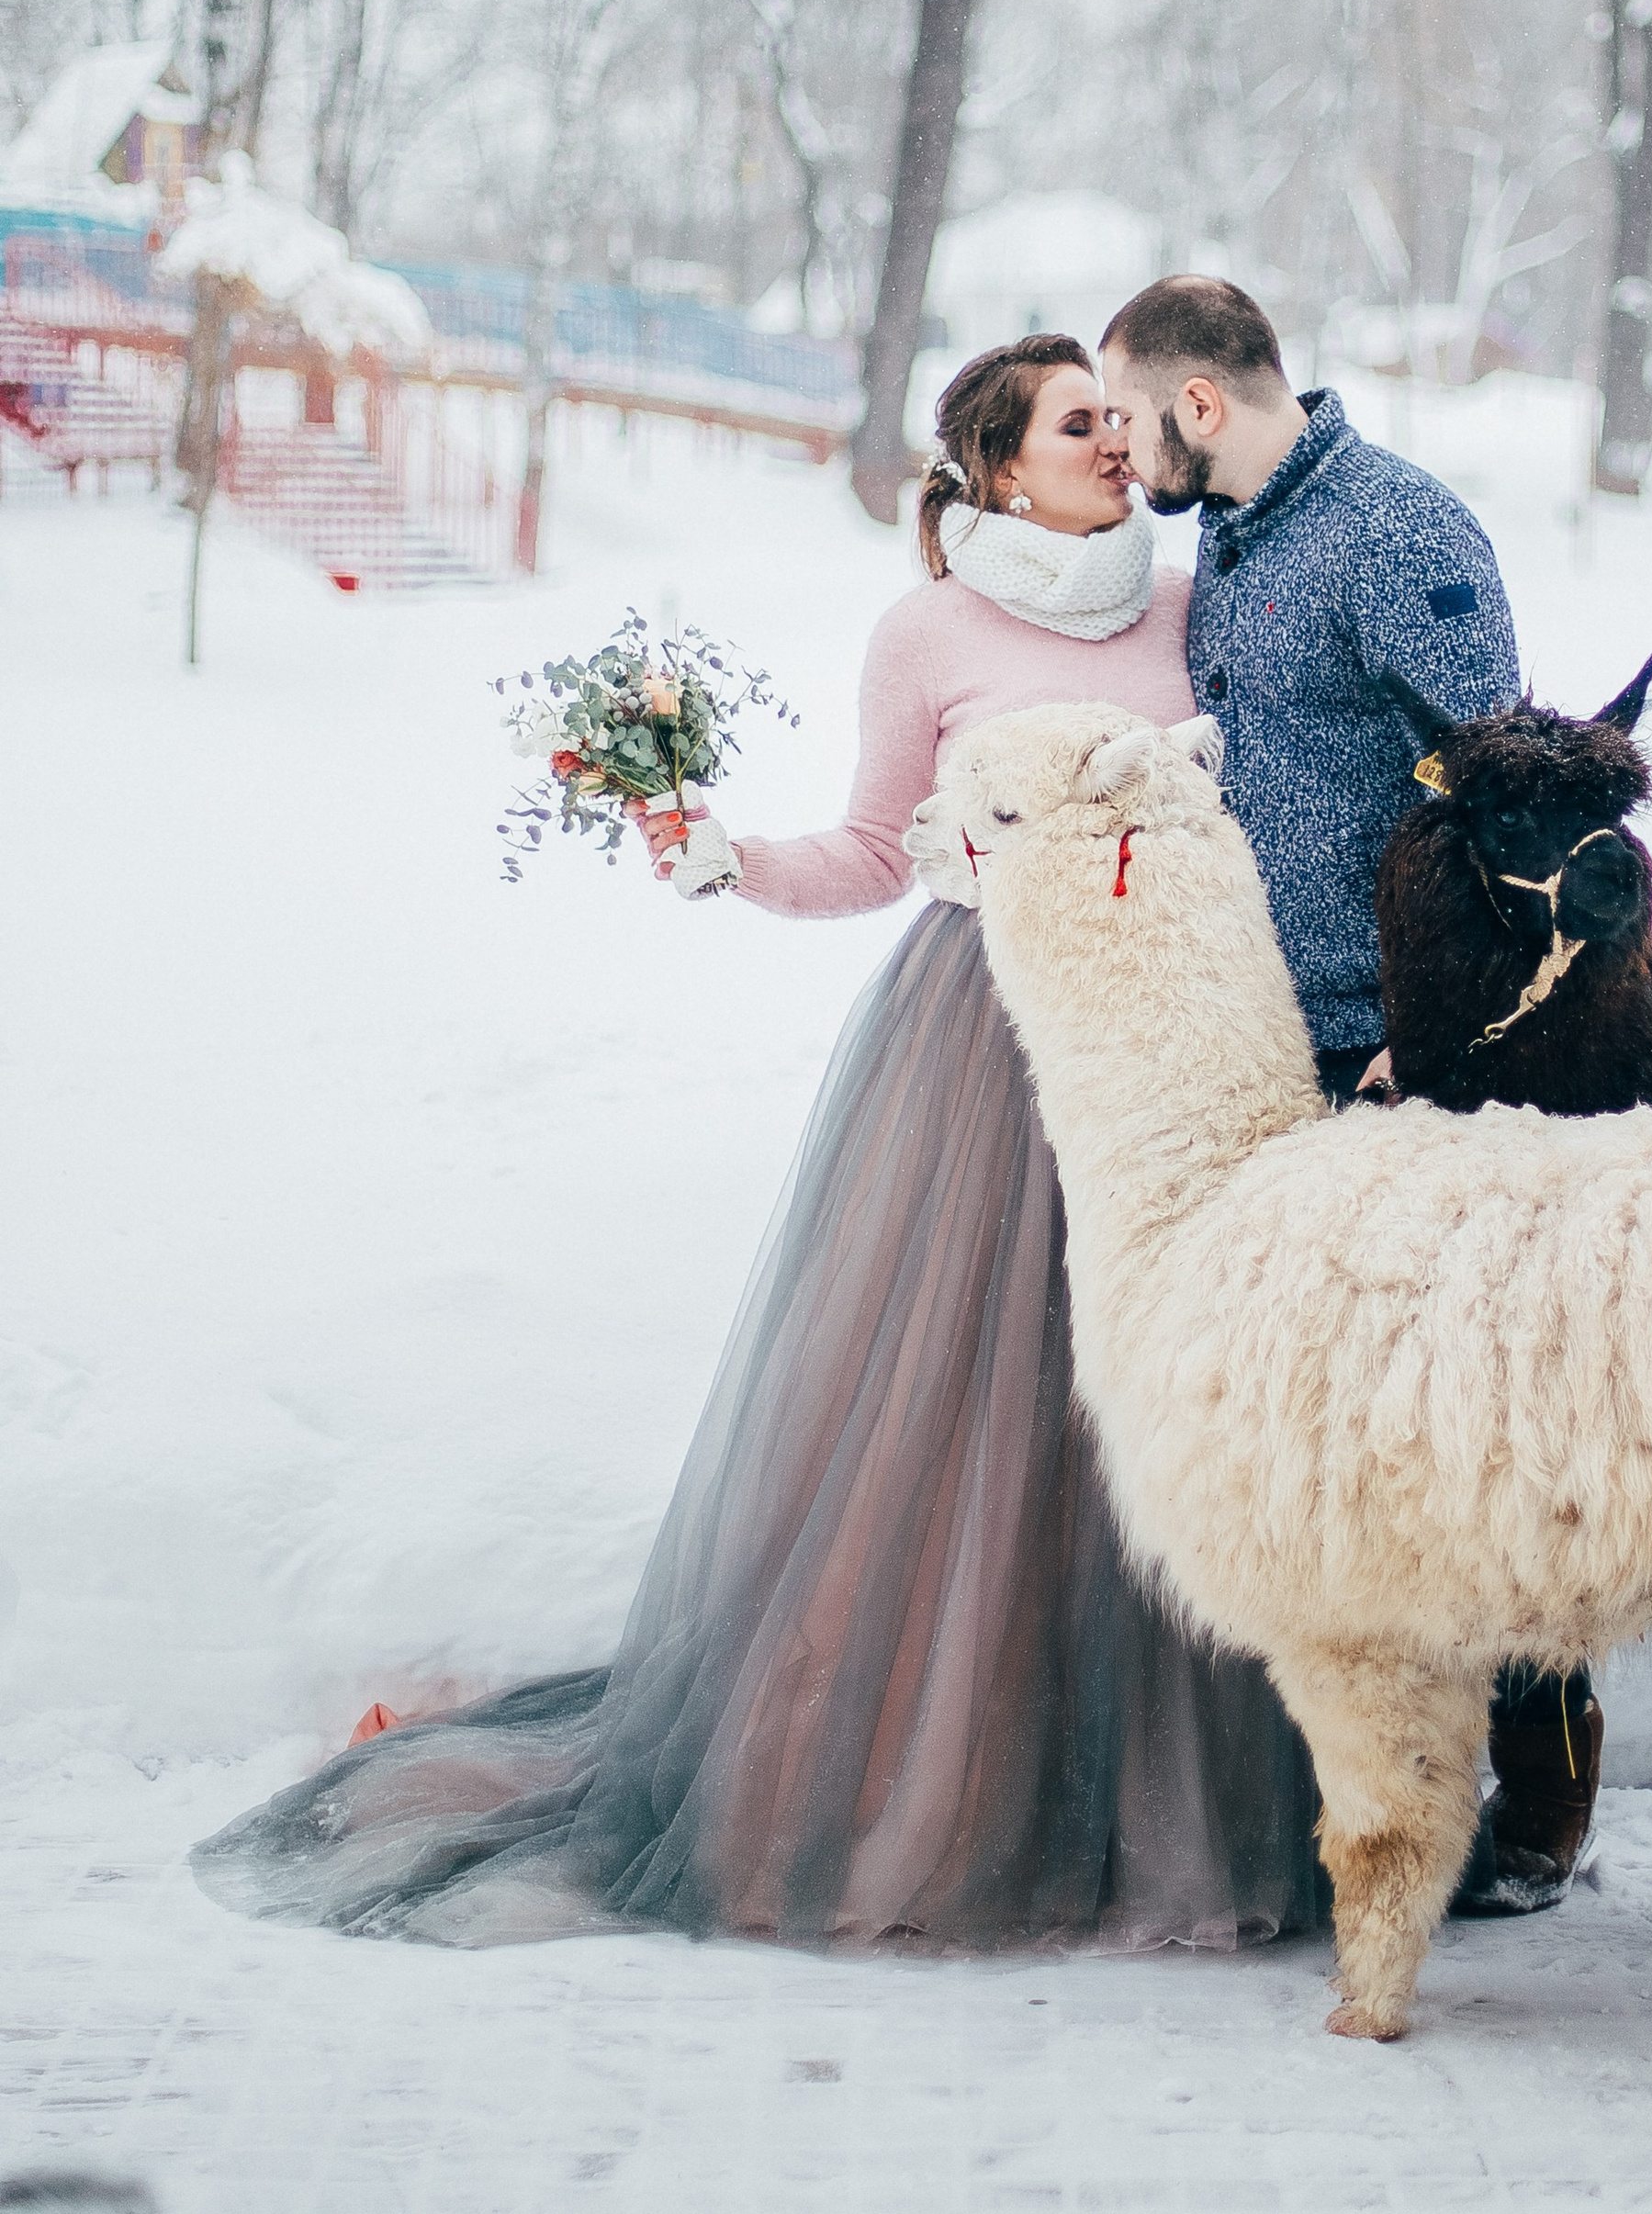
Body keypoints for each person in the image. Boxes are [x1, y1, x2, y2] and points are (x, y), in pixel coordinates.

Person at [195, 336, 1320, 1955]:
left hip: (1158, 1046)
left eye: (1114, 420)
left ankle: (1178, 1800)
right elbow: (875, 847)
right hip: (987, 1052)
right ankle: (952, 1794)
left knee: (1158, 1409)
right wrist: (730, 858)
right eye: (1079, 424)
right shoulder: (928, 631)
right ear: (1001, 469)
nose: (1114, 444)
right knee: (988, 1411)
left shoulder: (1185, 602)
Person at [1096, 275, 1602, 1914]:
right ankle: (1370, 1796)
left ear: (1199, 403)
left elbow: (1509, 793)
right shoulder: (1233, 541)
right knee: (1339, 1451)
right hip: (1272, 1047)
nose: (1125, 450)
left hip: (1405, 1057)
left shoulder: (1400, 532)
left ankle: (1540, 1797)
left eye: (1131, 415)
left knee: (1472, 1428)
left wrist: (1431, 1031)